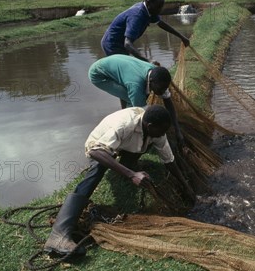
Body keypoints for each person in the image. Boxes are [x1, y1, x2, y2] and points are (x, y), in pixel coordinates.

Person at [44, 105, 190, 256]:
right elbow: (95, 151)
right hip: (100, 147)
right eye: (161, 131)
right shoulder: (125, 124)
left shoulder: (155, 132)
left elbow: (168, 159)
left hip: (123, 146)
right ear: (150, 125)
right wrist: (132, 175)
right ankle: (59, 235)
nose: (163, 134)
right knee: (98, 169)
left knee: (144, 147)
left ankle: (127, 166)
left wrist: (186, 186)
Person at [88, 54, 184, 146]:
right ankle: (126, 134)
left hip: (118, 64)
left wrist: (177, 130)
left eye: (164, 88)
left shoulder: (157, 75)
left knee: (136, 97)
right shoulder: (136, 86)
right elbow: (143, 116)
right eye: (160, 89)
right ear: (151, 82)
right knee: (134, 105)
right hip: (99, 74)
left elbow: (168, 103)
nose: (162, 91)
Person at [101, 0, 190, 61]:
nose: (160, 10)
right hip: (112, 44)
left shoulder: (150, 10)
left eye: (161, 7)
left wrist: (181, 37)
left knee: (129, 64)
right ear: (148, 3)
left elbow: (161, 24)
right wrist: (148, 60)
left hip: (121, 43)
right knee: (125, 67)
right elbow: (127, 44)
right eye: (158, 7)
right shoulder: (137, 16)